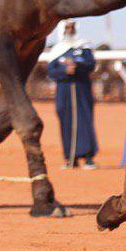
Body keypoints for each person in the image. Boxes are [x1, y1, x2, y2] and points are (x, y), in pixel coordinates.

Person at [46, 20, 98, 168]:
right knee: (66, 121)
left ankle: (88, 157)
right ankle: (70, 158)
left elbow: (90, 65)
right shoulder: (57, 49)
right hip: (64, 91)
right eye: (67, 27)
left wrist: (77, 67)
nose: (70, 30)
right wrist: (64, 71)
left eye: (72, 27)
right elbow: (51, 71)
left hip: (82, 89)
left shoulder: (83, 47)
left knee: (85, 120)